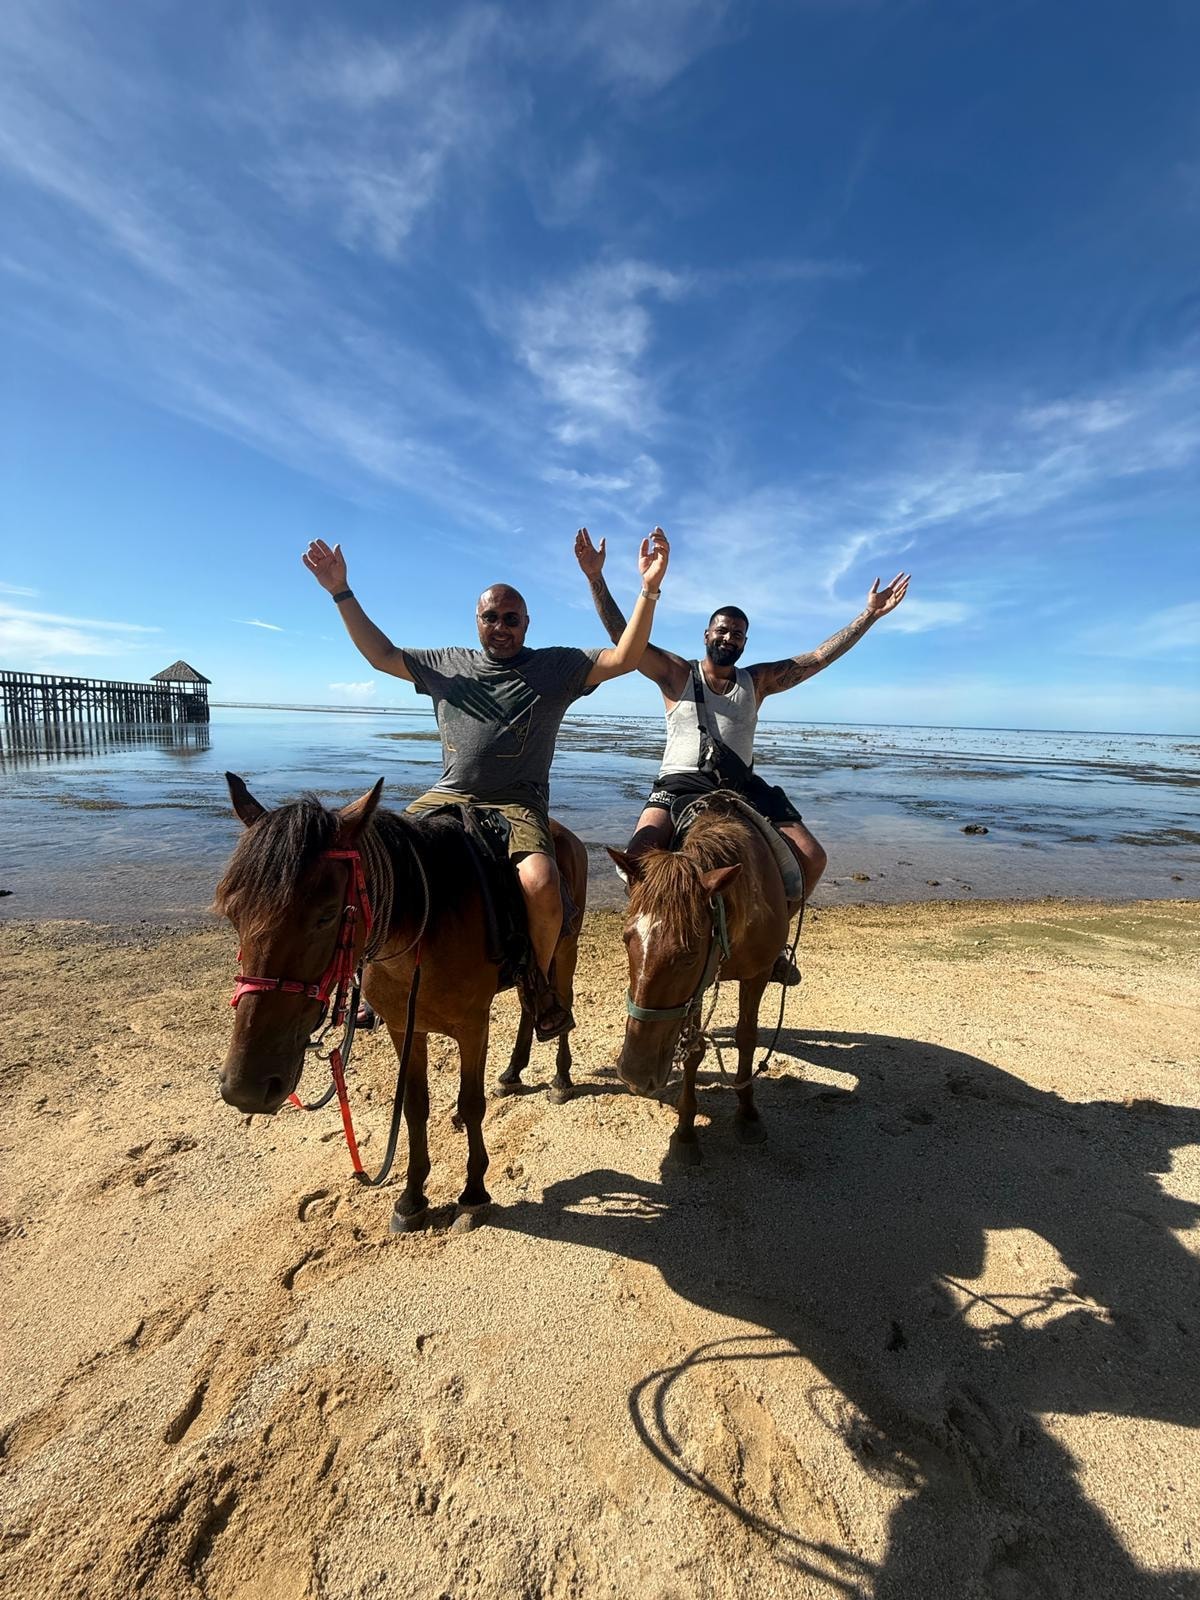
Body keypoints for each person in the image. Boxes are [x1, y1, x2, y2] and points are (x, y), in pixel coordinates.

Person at [303, 529, 670, 1038]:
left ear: (526, 624)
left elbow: (625, 657)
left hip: (517, 804)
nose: (500, 627)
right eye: (491, 617)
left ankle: (535, 981)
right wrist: (340, 591)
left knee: (542, 885)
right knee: (372, 860)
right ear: (477, 620)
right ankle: (369, 977)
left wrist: (647, 589)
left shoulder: (554, 668)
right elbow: (380, 654)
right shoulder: (447, 664)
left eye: (511, 619)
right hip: (446, 795)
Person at [576, 530, 909, 978]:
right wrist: (597, 578)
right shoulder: (676, 674)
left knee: (812, 858)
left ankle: (773, 945)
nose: (729, 637)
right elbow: (624, 637)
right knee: (636, 861)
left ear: (744, 642)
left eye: (737, 633)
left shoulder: (757, 681)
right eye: (722, 630)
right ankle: (654, 940)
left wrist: (868, 616)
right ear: (707, 635)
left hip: (740, 788)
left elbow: (817, 658)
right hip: (678, 784)